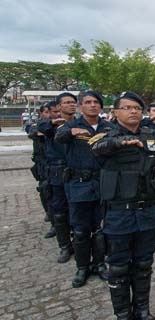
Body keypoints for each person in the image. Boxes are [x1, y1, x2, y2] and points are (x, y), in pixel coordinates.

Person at [89, 91, 155, 320]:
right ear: (115, 112)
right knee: (118, 268)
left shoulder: (153, 137)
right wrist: (119, 143)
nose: (133, 111)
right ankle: (122, 317)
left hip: (148, 213)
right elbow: (94, 149)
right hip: (118, 214)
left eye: (137, 108)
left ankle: (142, 309)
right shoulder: (106, 136)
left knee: (143, 265)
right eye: (127, 107)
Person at [55, 90, 112, 287]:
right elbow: (59, 137)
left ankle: (99, 264)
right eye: (88, 102)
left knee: (100, 228)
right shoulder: (72, 125)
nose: (92, 105)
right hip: (79, 184)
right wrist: (71, 132)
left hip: (102, 184)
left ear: (101, 107)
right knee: (80, 230)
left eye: (96, 102)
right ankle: (82, 267)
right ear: (81, 106)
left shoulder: (108, 127)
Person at [38, 93, 76, 264]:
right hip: (57, 174)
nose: (70, 105)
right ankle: (65, 246)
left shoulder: (81, 123)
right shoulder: (50, 126)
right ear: (58, 107)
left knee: (81, 212)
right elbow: (35, 129)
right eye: (66, 103)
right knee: (60, 212)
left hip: (78, 173)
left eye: (73, 102)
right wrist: (53, 122)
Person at [27, 103, 55, 238]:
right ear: (41, 114)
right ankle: (52, 219)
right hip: (42, 165)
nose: (48, 115)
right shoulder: (37, 126)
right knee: (45, 190)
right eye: (46, 112)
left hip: (55, 165)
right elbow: (32, 133)